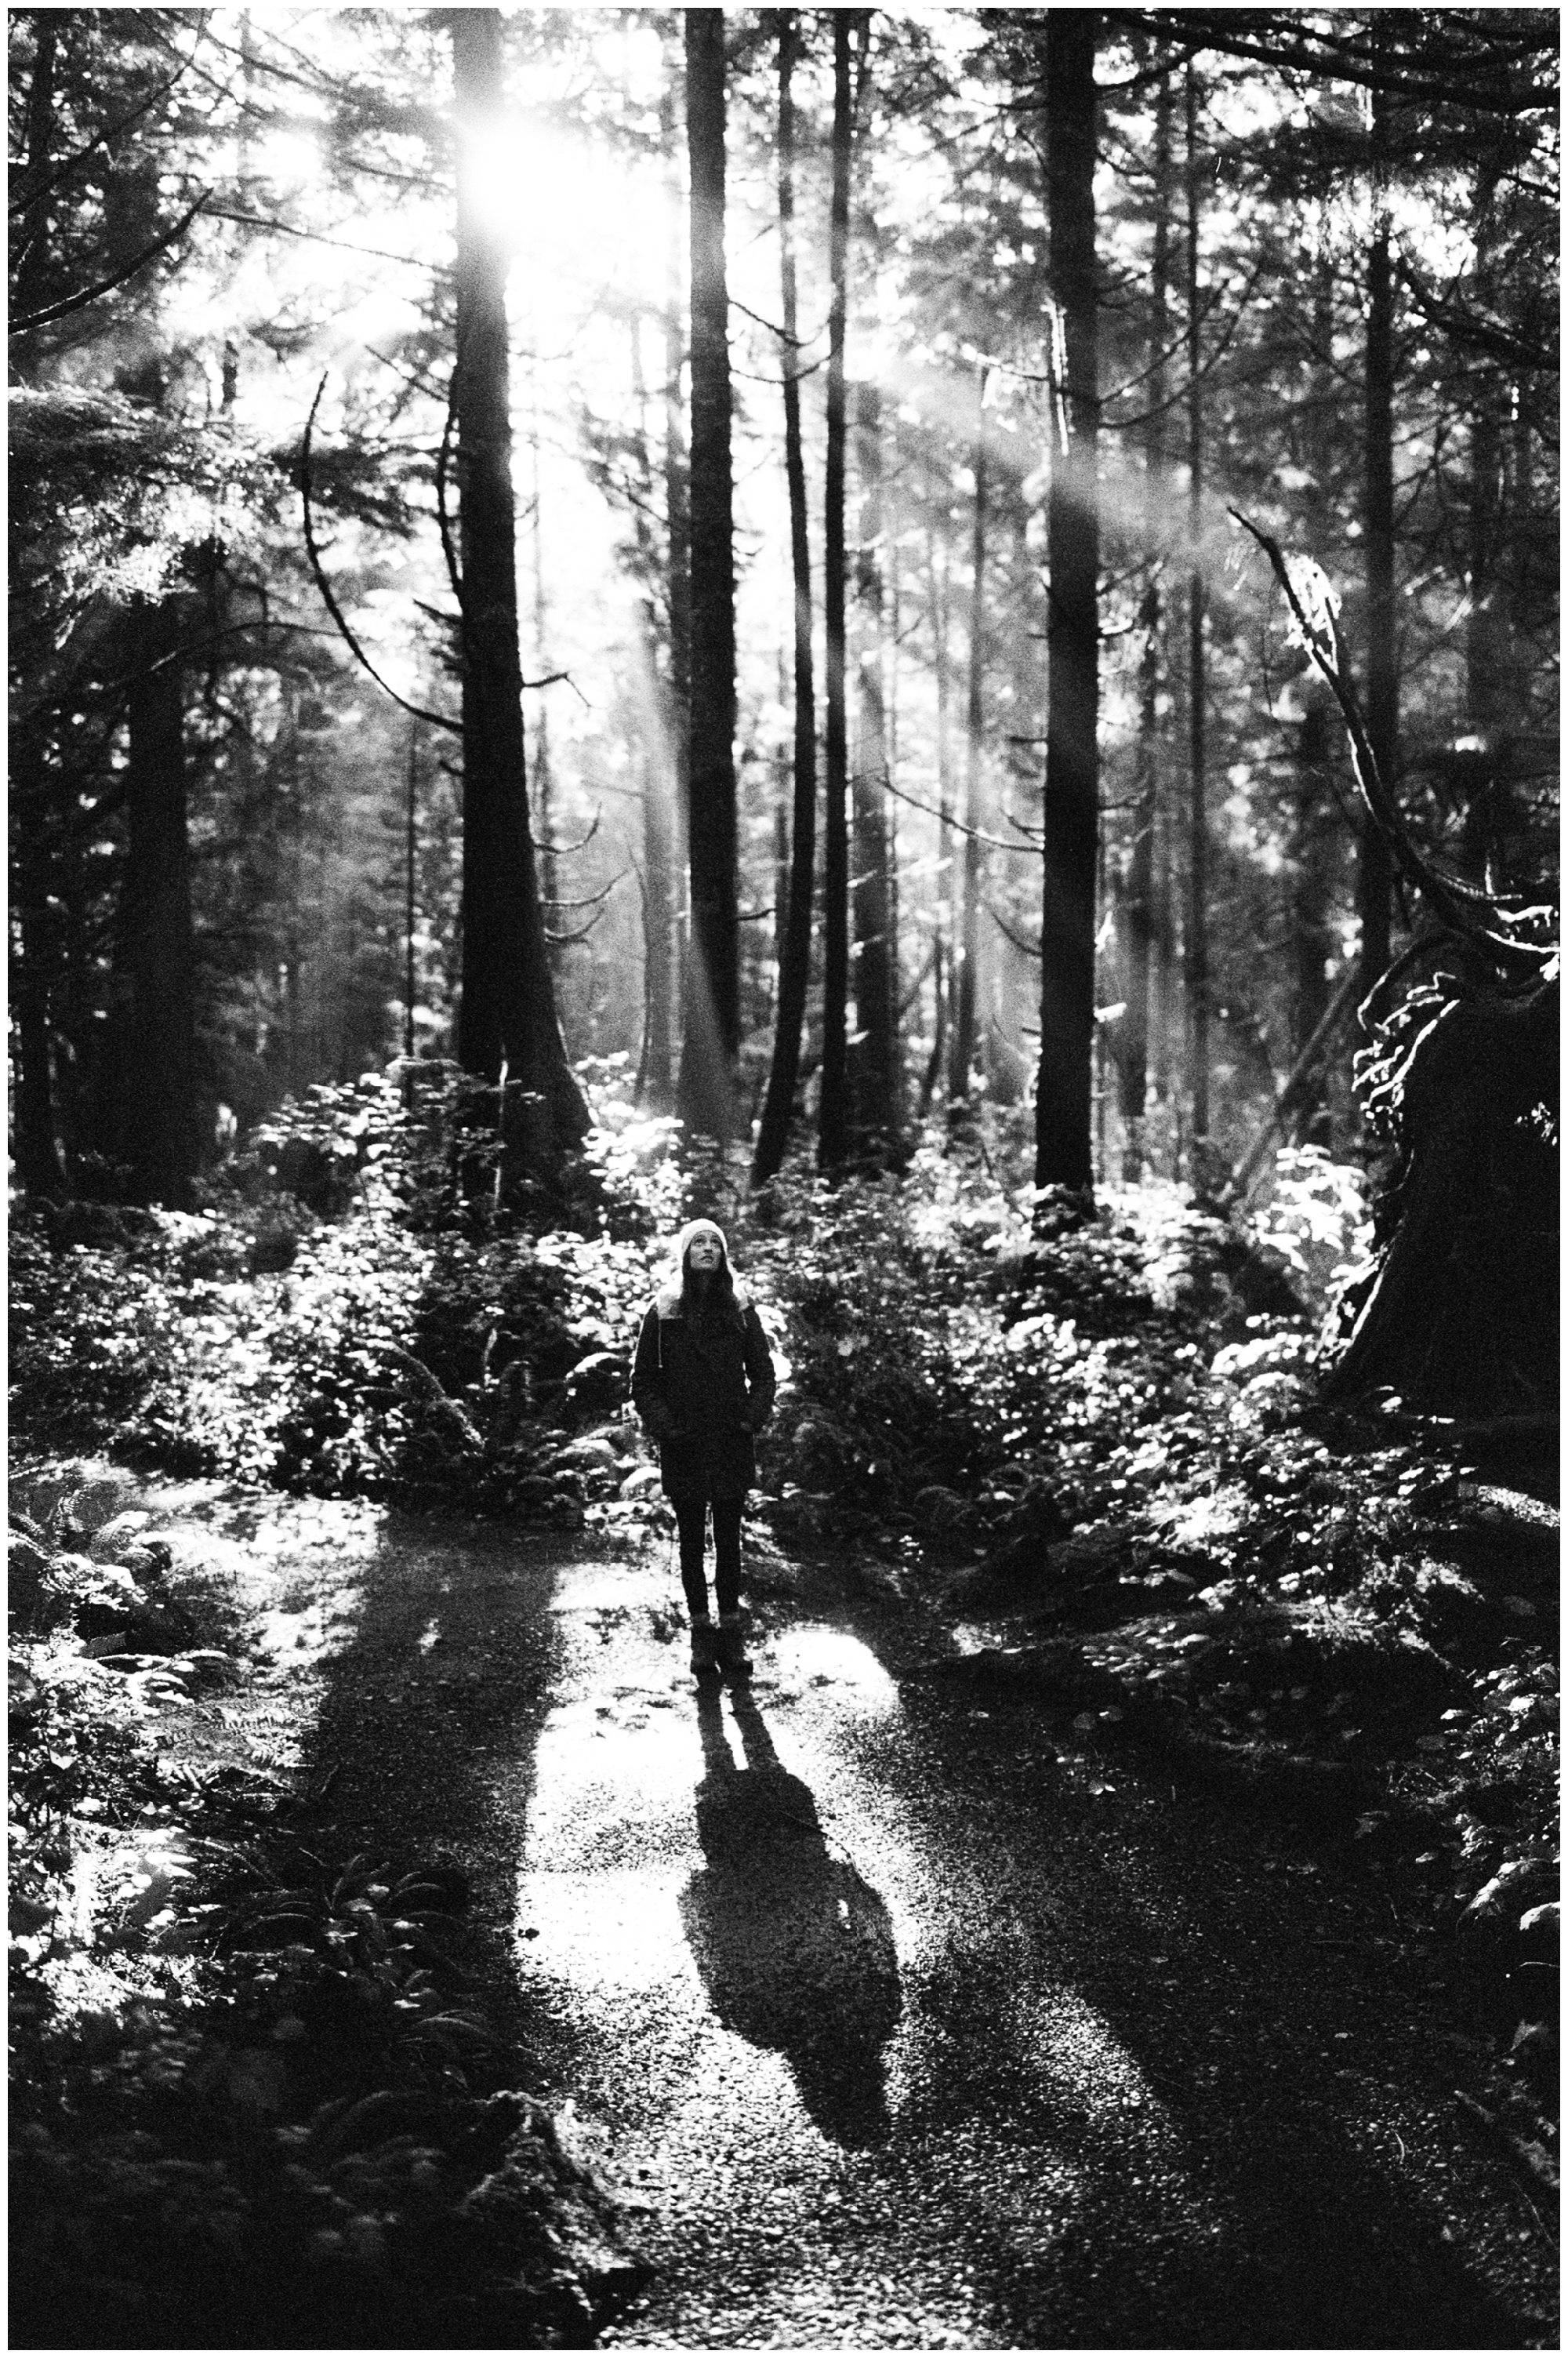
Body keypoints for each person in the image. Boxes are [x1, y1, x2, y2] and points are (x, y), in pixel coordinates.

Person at [632, 1217, 776, 1680]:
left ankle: (732, 1635)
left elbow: (764, 1374)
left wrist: (749, 1420)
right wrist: (667, 1429)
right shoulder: (662, 1308)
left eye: (715, 1241)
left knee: (729, 1540)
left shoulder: (742, 1306)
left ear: (724, 1254)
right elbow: (643, 1382)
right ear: (685, 1252)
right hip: (685, 1441)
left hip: (731, 1438)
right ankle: (700, 1636)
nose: (708, 1248)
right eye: (699, 1241)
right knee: (692, 1540)